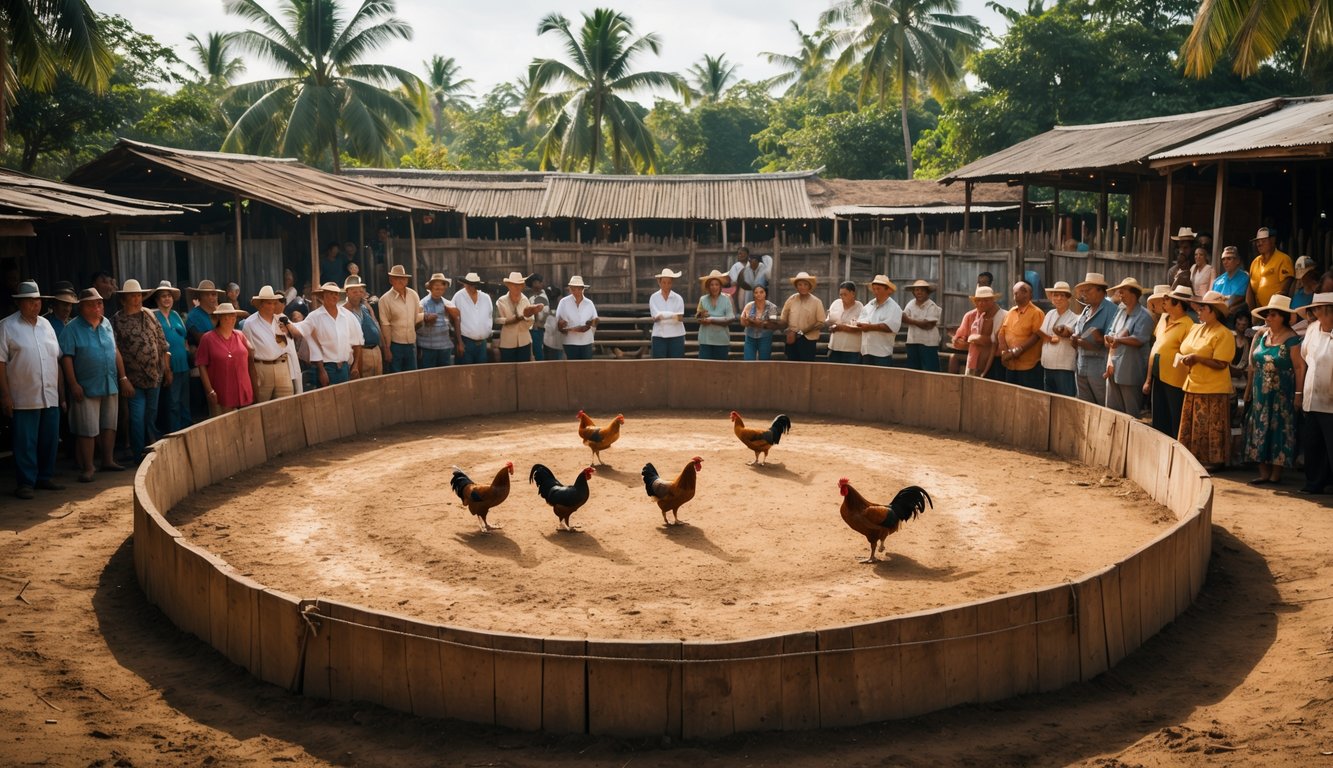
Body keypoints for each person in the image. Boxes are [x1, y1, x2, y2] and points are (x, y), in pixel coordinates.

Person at [0, 281, 64, 498]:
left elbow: (57, 359)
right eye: (30, 301)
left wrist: (61, 393)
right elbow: (0, 362)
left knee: (49, 438)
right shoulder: (7, 326)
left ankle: (44, 477)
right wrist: (5, 394)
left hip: (49, 393)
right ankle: (26, 482)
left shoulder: (47, 326)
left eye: (37, 300)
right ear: (19, 303)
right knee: (25, 441)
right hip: (23, 393)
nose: (35, 304)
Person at [59, 288, 130, 481]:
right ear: (81, 307)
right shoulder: (72, 328)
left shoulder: (106, 323)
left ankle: (108, 460)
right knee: (86, 428)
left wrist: (123, 378)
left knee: (109, 424)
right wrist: (73, 384)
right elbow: (66, 358)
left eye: (99, 303)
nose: (97, 307)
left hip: (109, 381)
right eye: (91, 304)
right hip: (86, 385)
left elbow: (115, 351)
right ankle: (88, 467)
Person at [1242, 295, 1304, 485]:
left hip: (1282, 394)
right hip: (1260, 392)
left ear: (1283, 316)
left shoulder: (1293, 339)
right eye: (1267, 315)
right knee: (1259, 427)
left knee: (1280, 429)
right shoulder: (1261, 335)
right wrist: (1248, 389)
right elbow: (1252, 364)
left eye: (1273, 315)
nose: (1268, 318)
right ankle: (1263, 472)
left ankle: (1276, 474)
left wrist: (1298, 394)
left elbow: (1299, 367)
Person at [111, 279, 169, 464]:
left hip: (154, 376)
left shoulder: (150, 315)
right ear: (124, 299)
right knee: (136, 418)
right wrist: (123, 378)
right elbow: (115, 351)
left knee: (151, 416)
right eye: (132, 296)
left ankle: (151, 450)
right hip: (133, 379)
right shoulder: (117, 320)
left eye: (138, 295)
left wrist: (166, 368)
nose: (137, 299)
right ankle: (138, 455)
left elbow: (161, 342)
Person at [1178, 291, 1237, 469]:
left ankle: (1214, 461)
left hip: (1213, 388)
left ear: (1213, 311)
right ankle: (1194, 458)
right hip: (1193, 383)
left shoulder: (1224, 333)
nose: (1198, 310)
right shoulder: (1197, 328)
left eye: (1202, 308)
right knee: (1195, 425)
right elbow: (1185, 348)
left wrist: (1197, 358)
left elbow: (1221, 363)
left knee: (1211, 426)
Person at [1143, 286, 1194, 437]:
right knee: (1158, 415)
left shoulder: (1188, 325)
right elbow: (1156, 347)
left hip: (1175, 378)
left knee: (1174, 416)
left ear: (1177, 303)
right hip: (1158, 375)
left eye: (1167, 299)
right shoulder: (1163, 319)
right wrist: (1148, 378)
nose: (1163, 302)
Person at [1103, 277, 1153, 415]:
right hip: (1113, 368)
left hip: (1131, 371)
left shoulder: (1145, 316)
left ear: (1134, 293)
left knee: (1131, 414)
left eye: (1123, 291)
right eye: (1119, 292)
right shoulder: (1120, 311)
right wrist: (1108, 339)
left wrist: (1118, 340)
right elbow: (1111, 332)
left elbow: (1139, 340)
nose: (1120, 294)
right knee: (1112, 412)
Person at [1299, 293, 1333, 493]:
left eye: (1318, 309)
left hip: (1331, 400)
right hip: (1312, 396)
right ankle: (1314, 483)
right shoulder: (1312, 329)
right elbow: (1306, 357)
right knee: (1313, 443)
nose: (1314, 313)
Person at [195, 303, 253, 417]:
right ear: (219, 318)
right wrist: (209, 390)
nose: (229, 319)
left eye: (232, 315)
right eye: (224, 316)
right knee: (223, 426)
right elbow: (201, 365)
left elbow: (250, 356)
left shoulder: (240, 335)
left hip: (243, 389)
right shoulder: (207, 338)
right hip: (221, 392)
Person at [246, 285, 301, 402]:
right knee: (261, 407)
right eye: (268, 303)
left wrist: (288, 328)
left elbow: (297, 334)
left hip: (282, 365)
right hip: (261, 368)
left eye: (274, 303)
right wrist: (253, 376)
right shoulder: (249, 323)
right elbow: (247, 354)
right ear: (261, 304)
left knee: (287, 405)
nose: (272, 306)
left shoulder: (281, 318)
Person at [304, 282, 363, 387]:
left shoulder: (347, 316)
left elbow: (357, 342)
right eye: (330, 294)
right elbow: (313, 347)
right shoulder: (314, 317)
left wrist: (355, 366)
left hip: (344, 367)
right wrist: (321, 371)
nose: (334, 296)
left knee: (344, 399)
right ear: (323, 296)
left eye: (336, 294)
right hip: (326, 367)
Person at [150, 281, 191, 431]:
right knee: (172, 402)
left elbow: (185, 337)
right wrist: (166, 368)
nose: (167, 299)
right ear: (157, 299)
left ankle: (187, 429)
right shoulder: (154, 316)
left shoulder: (175, 315)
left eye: (169, 296)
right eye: (163, 296)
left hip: (183, 363)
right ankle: (175, 431)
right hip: (168, 365)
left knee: (184, 400)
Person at [1071, 273, 1116, 405]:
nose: (1084, 294)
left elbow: (1111, 341)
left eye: (1088, 290)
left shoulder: (1112, 310)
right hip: (1081, 364)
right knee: (1084, 405)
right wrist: (1074, 337)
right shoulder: (1086, 310)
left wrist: (1100, 338)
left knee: (1103, 405)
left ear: (1100, 290)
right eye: (1083, 291)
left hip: (1099, 367)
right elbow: (1077, 331)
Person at [952, 286, 1007, 379]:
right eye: (978, 300)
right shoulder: (971, 316)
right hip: (973, 361)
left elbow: (994, 342)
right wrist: (968, 341)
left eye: (986, 300)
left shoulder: (1004, 316)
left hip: (997, 362)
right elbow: (957, 342)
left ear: (993, 300)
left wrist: (974, 338)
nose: (981, 304)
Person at [998, 281, 1045, 389]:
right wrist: (1004, 352)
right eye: (1014, 293)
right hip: (1011, 365)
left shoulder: (1036, 313)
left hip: (1029, 367)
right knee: (1011, 397)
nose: (1014, 295)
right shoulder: (1011, 312)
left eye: (1016, 293)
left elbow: (1037, 336)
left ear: (1026, 294)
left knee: (1029, 399)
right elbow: (1001, 333)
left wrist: (1016, 351)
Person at [1037, 281, 1080, 397]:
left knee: (1066, 402)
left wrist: (1057, 333)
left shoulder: (1075, 318)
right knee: (1049, 402)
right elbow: (1043, 333)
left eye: (1062, 295)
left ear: (1068, 299)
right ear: (1052, 298)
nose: (1059, 298)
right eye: (1056, 295)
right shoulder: (1050, 314)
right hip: (1047, 365)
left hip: (1064, 367)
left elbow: (1066, 333)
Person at [378, 264, 423, 373]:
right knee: (396, 377)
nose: (400, 281)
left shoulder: (413, 295)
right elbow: (385, 326)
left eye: (403, 278)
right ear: (391, 280)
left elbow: (417, 318)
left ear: (407, 280)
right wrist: (387, 349)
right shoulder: (385, 299)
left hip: (411, 344)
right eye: (397, 278)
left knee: (412, 376)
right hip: (395, 345)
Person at [780, 272, 826, 362]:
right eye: (800, 284)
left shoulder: (817, 302)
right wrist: (786, 330)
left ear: (809, 286)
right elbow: (783, 318)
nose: (802, 287)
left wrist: (801, 332)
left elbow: (820, 323)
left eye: (805, 284)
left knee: (806, 368)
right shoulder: (791, 299)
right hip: (792, 339)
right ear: (796, 286)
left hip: (808, 341)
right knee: (791, 367)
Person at [1246, 227, 1295, 312]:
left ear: (1272, 241)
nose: (1259, 244)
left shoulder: (1283, 259)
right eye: (1257, 241)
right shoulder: (1255, 262)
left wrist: (1272, 312)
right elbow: (1250, 289)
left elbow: (1284, 290)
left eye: (1263, 241)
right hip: (1259, 312)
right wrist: (1253, 313)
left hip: (1277, 311)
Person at [342, 276, 382, 377]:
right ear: (347, 293)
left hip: (376, 351)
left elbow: (376, 325)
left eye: (360, 291)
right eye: (354, 292)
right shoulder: (343, 312)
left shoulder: (364, 307)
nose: (358, 294)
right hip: (361, 353)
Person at [418, 273, 460, 368]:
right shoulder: (423, 303)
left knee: (445, 375)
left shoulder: (447, 303)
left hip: (445, 346)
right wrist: (425, 318)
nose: (439, 291)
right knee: (428, 375)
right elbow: (416, 324)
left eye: (442, 289)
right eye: (437, 288)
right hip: (428, 346)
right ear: (431, 288)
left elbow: (456, 318)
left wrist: (452, 312)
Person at [857, 276, 901, 367]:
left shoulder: (894, 308)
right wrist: (861, 325)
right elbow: (860, 321)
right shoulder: (869, 305)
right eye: (874, 289)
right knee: (867, 380)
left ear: (888, 290)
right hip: (866, 351)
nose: (875, 291)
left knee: (882, 380)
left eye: (878, 289)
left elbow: (889, 327)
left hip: (882, 353)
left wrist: (869, 327)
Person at [497, 271, 540, 363]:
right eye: (513, 284)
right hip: (507, 342)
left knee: (524, 371)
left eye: (519, 284)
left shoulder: (525, 300)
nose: (516, 287)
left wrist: (525, 316)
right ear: (508, 285)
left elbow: (531, 322)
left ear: (522, 286)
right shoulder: (501, 301)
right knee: (508, 371)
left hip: (524, 341)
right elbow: (497, 320)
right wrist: (508, 321)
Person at [453, 272, 493, 365]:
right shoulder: (458, 296)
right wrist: (459, 342)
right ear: (465, 284)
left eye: (473, 285)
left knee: (481, 371)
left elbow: (489, 317)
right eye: (469, 285)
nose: (471, 287)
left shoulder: (485, 298)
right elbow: (455, 319)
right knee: (466, 371)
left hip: (482, 342)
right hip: (466, 341)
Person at [901, 279, 941, 372]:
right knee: (913, 370)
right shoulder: (911, 304)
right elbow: (903, 318)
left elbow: (928, 325)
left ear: (927, 292)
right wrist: (916, 322)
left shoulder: (932, 306)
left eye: (922, 290)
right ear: (913, 292)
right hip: (912, 341)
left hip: (928, 343)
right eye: (917, 290)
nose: (919, 292)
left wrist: (910, 320)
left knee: (930, 370)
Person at [696, 269, 735, 360]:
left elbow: (731, 318)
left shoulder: (726, 299)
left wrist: (712, 320)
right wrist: (701, 317)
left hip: (721, 340)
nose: (714, 287)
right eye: (712, 285)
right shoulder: (703, 299)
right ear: (708, 287)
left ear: (720, 286)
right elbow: (698, 316)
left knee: (721, 370)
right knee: (704, 368)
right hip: (705, 339)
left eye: (716, 284)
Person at [556, 276, 597, 360]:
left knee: (586, 368)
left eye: (578, 289)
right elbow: (557, 320)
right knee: (572, 368)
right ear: (570, 289)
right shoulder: (563, 302)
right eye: (573, 289)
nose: (576, 291)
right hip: (569, 341)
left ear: (582, 289)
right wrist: (561, 325)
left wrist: (589, 325)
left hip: (586, 341)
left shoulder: (589, 303)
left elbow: (595, 320)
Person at [649, 268, 687, 359]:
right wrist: (672, 315)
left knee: (676, 364)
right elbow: (656, 317)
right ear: (659, 282)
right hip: (659, 335)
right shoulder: (654, 297)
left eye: (669, 282)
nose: (666, 285)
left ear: (672, 283)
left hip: (676, 336)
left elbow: (679, 317)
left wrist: (664, 315)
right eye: (664, 282)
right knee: (659, 365)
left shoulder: (678, 298)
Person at [825, 281, 865, 364]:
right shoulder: (836, 303)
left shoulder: (860, 307)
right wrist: (831, 326)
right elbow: (828, 320)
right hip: (834, 347)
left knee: (851, 375)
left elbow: (860, 328)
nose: (842, 297)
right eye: (841, 294)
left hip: (852, 350)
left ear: (853, 294)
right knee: (834, 374)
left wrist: (841, 327)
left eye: (845, 294)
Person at [1211, 245, 1251, 325]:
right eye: (1223, 259)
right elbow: (1210, 301)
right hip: (1216, 316)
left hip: (1234, 319)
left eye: (1229, 258)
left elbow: (1234, 300)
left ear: (1238, 260)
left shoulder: (1245, 278)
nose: (1225, 262)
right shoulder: (1218, 280)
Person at [739, 284, 778, 360]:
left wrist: (752, 322)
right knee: (748, 362)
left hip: (765, 337)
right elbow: (742, 321)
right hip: (750, 337)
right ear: (753, 294)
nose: (758, 294)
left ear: (765, 293)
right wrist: (754, 322)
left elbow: (772, 323)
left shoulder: (772, 307)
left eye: (761, 292)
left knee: (764, 362)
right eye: (756, 292)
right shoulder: (749, 305)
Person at [526, 274, 556, 360]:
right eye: (533, 283)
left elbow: (545, 313)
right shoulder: (532, 297)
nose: (534, 285)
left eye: (537, 283)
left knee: (540, 352)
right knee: (537, 351)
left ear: (541, 284)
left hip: (540, 328)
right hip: (536, 327)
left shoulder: (543, 296)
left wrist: (537, 323)